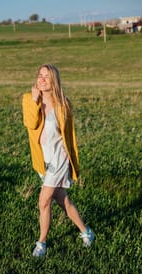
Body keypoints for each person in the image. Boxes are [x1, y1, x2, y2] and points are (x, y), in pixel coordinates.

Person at [22, 63, 94, 257]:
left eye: (46, 76)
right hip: (43, 160)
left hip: (59, 158)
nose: (42, 79)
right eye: (40, 75)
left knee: (43, 201)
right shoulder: (28, 99)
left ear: (54, 80)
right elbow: (30, 123)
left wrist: (72, 163)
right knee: (62, 199)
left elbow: (69, 136)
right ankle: (86, 232)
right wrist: (35, 101)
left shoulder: (63, 104)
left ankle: (41, 243)